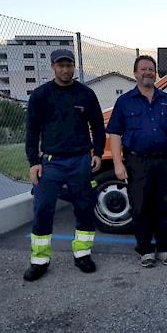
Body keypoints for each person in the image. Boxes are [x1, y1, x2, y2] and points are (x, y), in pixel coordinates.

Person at [23, 49, 105, 281]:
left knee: (84, 207)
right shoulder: (40, 95)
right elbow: (32, 131)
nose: (65, 69)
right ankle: (39, 260)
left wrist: (97, 153)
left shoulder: (86, 94)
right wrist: (33, 162)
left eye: (69, 65)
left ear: (74, 67)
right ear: (53, 67)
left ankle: (83, 254)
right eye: (61, 65)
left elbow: (98, 126)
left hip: (80, 160)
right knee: (42, 208)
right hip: (51, 162)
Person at [106, 55, 167, 268]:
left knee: (166, 206)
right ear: (135, 73)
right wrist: (118, 163)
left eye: (151, 69)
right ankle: (145, 249)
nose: (147, 73)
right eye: (143, 69)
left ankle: (164, 248)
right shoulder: (124, 102)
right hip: (137, 161)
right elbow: (115, 133)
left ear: (155, 73)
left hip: (164, 161)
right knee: (141, 207)